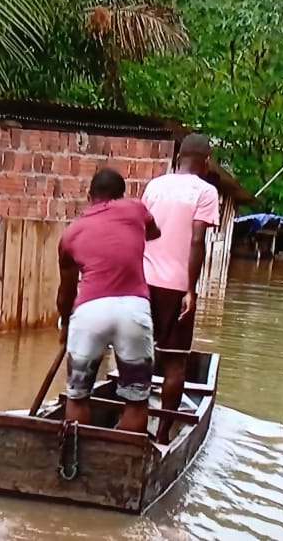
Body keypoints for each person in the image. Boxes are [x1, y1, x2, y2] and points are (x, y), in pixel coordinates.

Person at [57, 168, 161, 433]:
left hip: (89, 312)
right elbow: (154, 233)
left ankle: (76, 457)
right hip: (133, 310)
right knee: (137, 402)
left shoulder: (71, 234)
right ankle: (122, 460)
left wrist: (66, 326)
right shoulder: (136, 210)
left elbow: (66, 293)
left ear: (89, 195)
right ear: (122, 194)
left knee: (77, 396)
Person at [141, 133, 220, 442]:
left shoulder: (154, 186)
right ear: (206, 161)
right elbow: (197, 241)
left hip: (144, 282)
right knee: (175, 361)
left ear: (179, 157)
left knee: (139, 355)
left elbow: (143, 232)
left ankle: (132, 423)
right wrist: (191, 289)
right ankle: (161, 435)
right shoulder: (206, 192)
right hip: (175, 286)